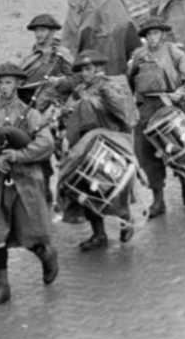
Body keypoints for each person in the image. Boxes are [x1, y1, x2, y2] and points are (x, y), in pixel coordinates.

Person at [0, 62, 59, 308]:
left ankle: (46, 255)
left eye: (9, 82)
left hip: (24, 181)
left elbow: (46, 143)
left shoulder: (30, 114)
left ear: (18, 84)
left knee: (28, 232)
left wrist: (17, 155)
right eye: (0, 83)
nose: (4, 87)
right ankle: (2, 286)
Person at [55, 49, 142, 251]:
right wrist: (63, 113)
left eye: (88, 69)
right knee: (87, 190)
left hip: (108, 143)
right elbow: (69, 116)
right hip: (83, 147)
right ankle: (99, 234)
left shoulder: (110, 86)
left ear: (98, 69)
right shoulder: (78, 91)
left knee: (114, 185)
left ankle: (126, 222)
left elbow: (122, 111)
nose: (85, 73)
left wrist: (105, 92)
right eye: (82, 69)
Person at [127, 16, 185, 218]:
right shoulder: (138, 57)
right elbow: (129, 84)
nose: (152, 38)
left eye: (155, 33)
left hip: (170, 108)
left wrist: (182, 90)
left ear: (162, 34)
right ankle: (158, 200)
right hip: (146, 111)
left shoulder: (174, 53)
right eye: (148, 34)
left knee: (176, 150)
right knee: (146, 154)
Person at [65, 0, 138, 77]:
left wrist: (108, 32)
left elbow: (121, 18)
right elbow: (72, 20)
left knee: (110, 67)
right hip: (87, 39)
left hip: (108, 40)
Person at [17, 14, 74, 112]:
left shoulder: (61, 54)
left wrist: (59, 80)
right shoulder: (30, 57)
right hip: (24, 95)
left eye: (42, 30)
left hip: (48, 98)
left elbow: (75, 78)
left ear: (52, 32)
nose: (38, 34)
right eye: (36, 30)